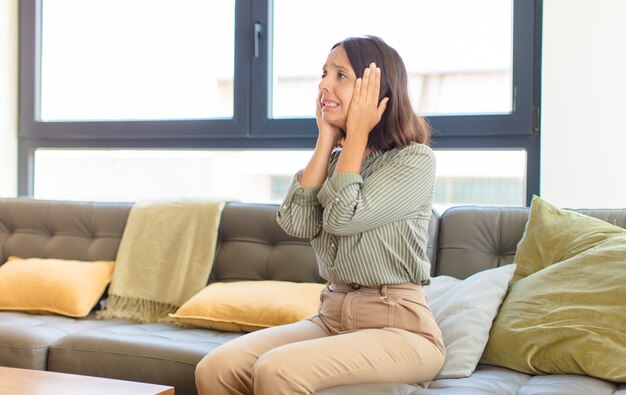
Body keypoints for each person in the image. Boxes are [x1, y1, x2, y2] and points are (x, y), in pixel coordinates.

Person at [195, 35, 444, 395]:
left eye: (340, 75)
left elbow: (344, 216)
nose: (324, 84)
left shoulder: (414, 160)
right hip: (332, 317)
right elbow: (296, 222)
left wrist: (356, 131)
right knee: (216, 368)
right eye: (325, 73)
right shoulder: (335, 162)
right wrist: (326, 138)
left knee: (276, 371)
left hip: (400, 328)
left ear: (374, 91)